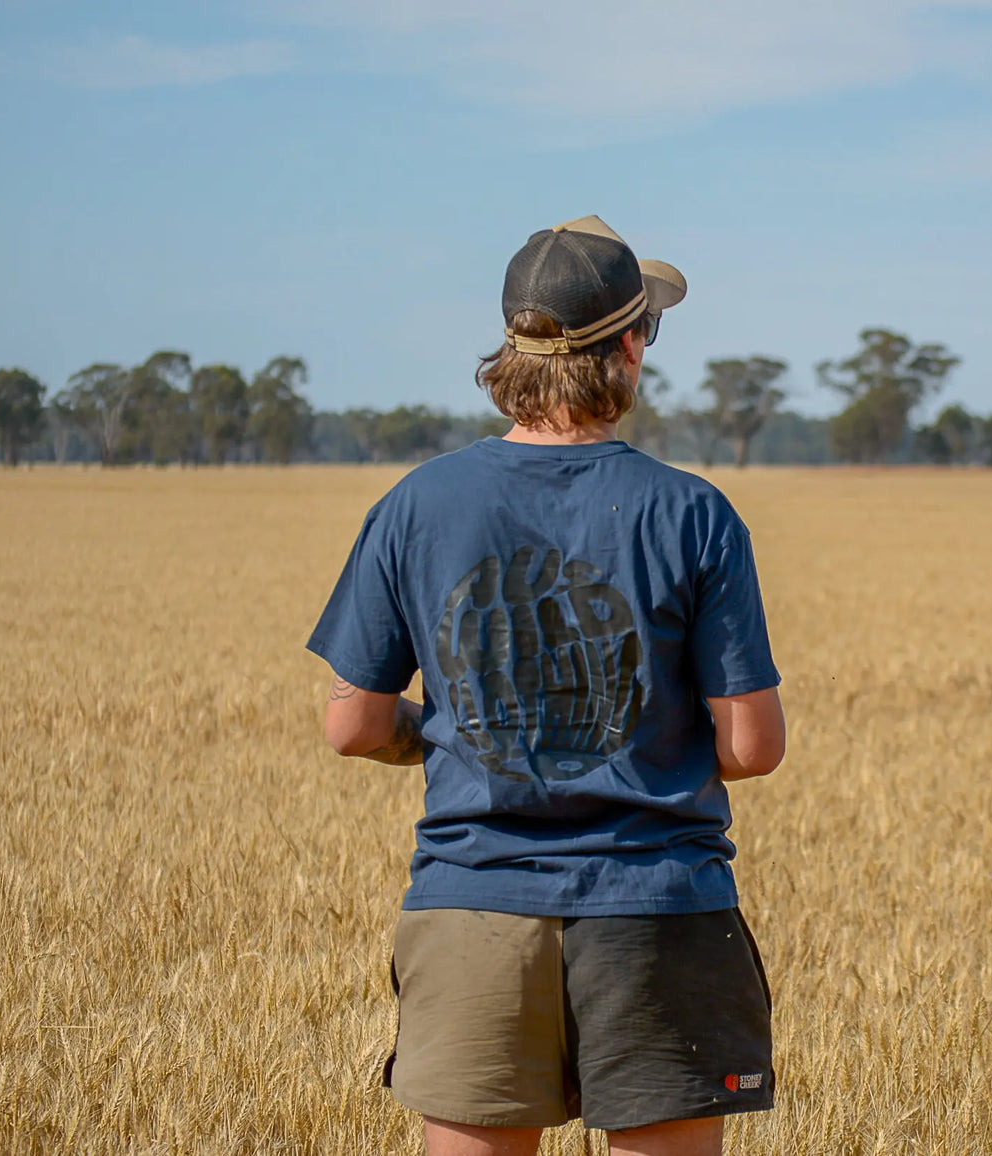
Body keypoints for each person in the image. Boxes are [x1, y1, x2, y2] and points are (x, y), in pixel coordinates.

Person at [307, 215, 786, 1156]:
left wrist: (463, 731)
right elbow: (752, 748)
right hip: (656, 909)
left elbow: (352, 724)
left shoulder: (416, 503)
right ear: (628, 348)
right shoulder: (693, 513)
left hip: (471, 906)